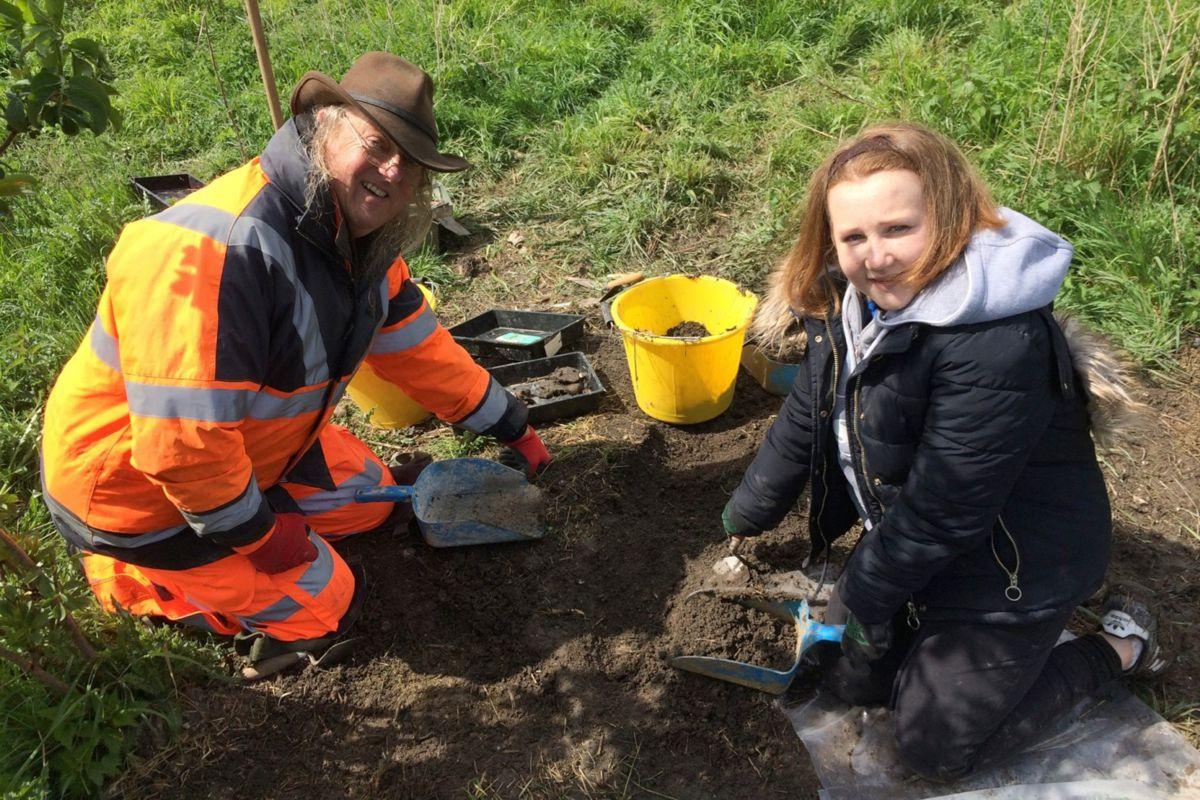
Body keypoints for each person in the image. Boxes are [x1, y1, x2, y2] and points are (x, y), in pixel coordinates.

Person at [40, 52, 551, 678]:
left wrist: (513, 427)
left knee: (371, 499)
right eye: (377, 145)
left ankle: (249, 516)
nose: (393, 172)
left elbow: (419, 348)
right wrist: (262, 537)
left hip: (251, 453)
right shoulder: (216, 253)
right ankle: (131, 576)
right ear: (322, 128)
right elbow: (183, 449)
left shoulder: (353, 243)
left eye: (411, 164)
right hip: (136, 494)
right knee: (321, 601)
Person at [721, 122, 1167, 781]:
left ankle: (1119, 648)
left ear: (952, 217)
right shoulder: (853, 302)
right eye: (853, 237)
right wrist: (747, 511)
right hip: (936, 544)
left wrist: (863, 593)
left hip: (1015, 563)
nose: (875, 256)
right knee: (859, 685)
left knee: (936, 746)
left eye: (897, 229)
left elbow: (944, 508)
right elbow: (808, 413)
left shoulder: (996, 342)